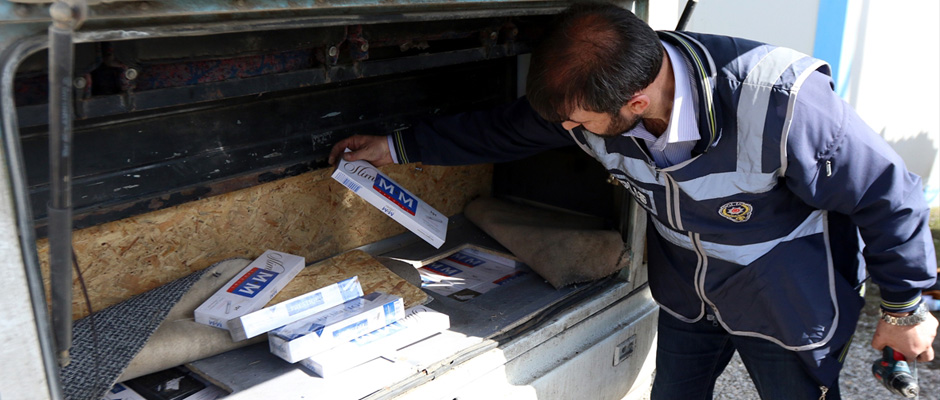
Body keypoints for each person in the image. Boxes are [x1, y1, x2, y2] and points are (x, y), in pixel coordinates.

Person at [329, 3, 938, 399]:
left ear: (636, 104)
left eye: (579, 124)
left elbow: (889, 196)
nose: (570, 132)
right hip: (686, 293)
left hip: (783, 295)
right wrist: (396, 145)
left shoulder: (779, 100)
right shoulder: (595, 93)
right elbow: (507, 129)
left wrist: (905, 308)